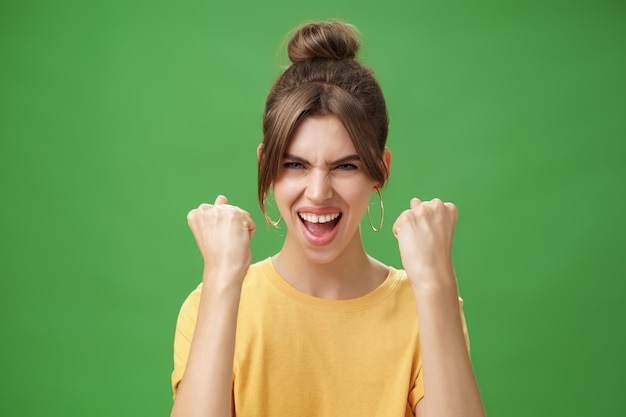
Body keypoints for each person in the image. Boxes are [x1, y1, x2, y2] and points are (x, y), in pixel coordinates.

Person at [170, 20, 485, 417]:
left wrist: (437, 281)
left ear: (380, 172)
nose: (318, 192)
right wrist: (220, 280)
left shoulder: (429, 305)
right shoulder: (211, 304)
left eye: (346, 166)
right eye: (296, 164)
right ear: (266, 167)